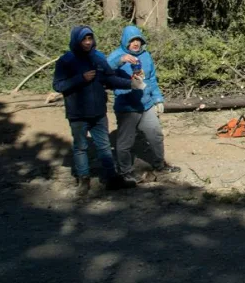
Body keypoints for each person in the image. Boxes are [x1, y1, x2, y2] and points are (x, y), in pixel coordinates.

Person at [52, 26, 141, 195]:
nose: (87, 42)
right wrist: (80, 78)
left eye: (89, 39)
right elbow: (58, 85)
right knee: (80, 147)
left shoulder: (98, 57)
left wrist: (130, 83)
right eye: (83, 39)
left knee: (104, 146)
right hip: (77, 113)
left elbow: (110, 78)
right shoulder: (66, 61)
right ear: (76, 40)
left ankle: (111, 179)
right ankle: (83, 181)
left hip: (98, 111)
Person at [107, 25, 180, 181]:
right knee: (125, 142)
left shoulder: (146, 56)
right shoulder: (117, 55)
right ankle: (125, 172)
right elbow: (105, 71)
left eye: (138, 40)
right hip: (126, 106)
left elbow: (152, 79)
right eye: (132, 40)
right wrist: (120, 60)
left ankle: (160, 166)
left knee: (156, 135)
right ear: (126, 42)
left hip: (145, 104)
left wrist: (158, 99)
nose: (135, 43)